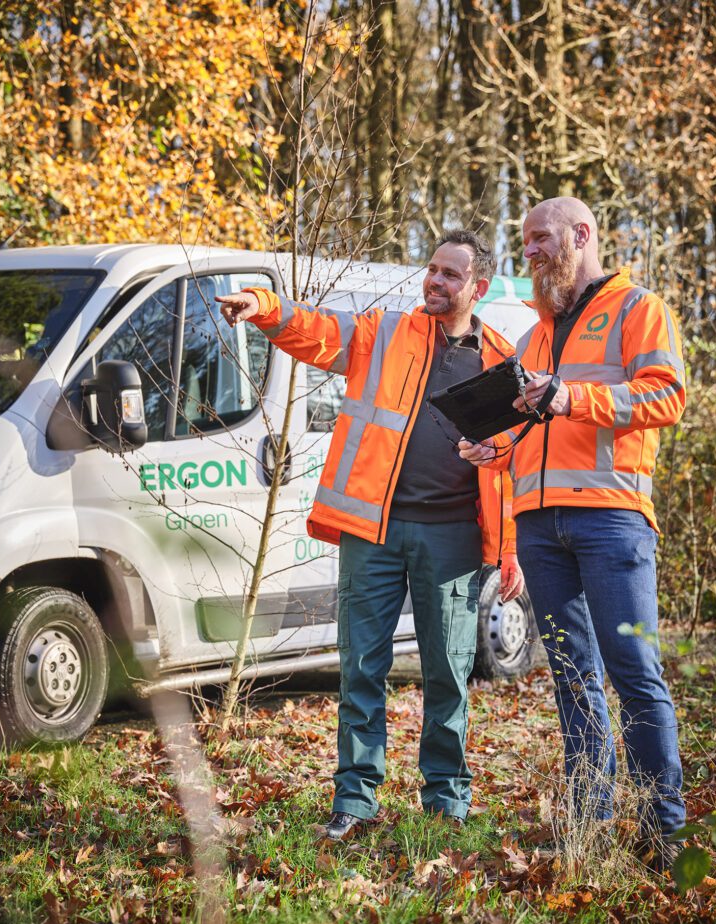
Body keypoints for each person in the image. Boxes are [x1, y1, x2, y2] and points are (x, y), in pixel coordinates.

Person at [216, 231, 523, 840]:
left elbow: (513, 460)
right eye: (431, 269)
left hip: (454, 538)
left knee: (449, 671)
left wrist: (509, 546)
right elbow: (317, 330)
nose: (433, 281)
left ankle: (446, 800)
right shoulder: (383, 333)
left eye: (449, 275)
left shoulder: (500, 360)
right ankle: (354, 802)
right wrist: (266, 307)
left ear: (477, 289)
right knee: (361, 667)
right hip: (373, 532)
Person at [459, 198, 687, 871]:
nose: (529, 251)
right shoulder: (535, 336)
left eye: (540, 238)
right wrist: (492, 449)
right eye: (524, 241)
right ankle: (588, 828)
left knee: (635, 675)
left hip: (612, 522)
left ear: (581, 235)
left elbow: (667, 396)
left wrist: (569, 397)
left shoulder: (637, 309)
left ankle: (661, 833)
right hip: (540, 529)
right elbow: (534, 434)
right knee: (571, 678)